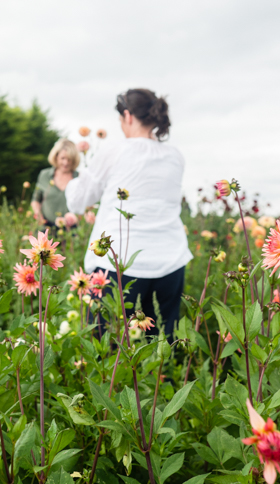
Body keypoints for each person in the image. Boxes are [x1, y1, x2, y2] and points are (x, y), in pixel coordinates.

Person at [65, 88, 193, 338]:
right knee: (161, 346)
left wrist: (70, 182)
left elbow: (78, 201)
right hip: (170, 260)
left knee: (107, 344)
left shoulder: (115, 150)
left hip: (117, 264)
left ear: (128, 116)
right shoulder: (175, 156)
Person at [31, 139, 80, 227]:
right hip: (46, 226)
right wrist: (37, 213)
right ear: (56, 157)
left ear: (74, 160)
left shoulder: (78, 178)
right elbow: (36, 199)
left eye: (69, 159)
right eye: (63, 158)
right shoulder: (44, 175)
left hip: (70, 228)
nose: (65, 163)